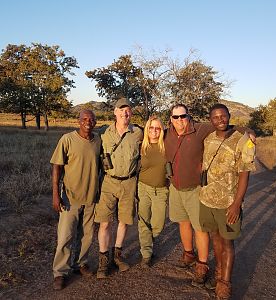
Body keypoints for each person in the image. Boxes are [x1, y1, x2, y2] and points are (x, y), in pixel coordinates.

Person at [164, 103, 254, 285]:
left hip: (197, 189)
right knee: (184, 223)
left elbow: (223, 125)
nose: (180, 120)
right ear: (171, 119)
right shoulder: (167, 134)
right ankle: (189, 253)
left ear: (189, 116)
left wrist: (249, 129)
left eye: (183, 116)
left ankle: (203, 265)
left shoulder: (200, 129)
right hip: (179, 188)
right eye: (176, 117)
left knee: (201, 229)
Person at [199, 103, 255, 299]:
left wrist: (237, 203)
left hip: (228, 203)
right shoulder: (208, 139)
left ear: (230, 116)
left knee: (228, 242)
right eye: (215, 117)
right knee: (215, 237)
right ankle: (218, 272)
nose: (220, 120)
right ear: (210, 120)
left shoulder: (242, 141)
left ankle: (225, 284)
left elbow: (245, 173)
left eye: (223, 116)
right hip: (208, 199)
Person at [50, 109, 101, 290]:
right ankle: (60, 272)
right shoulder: (67, 139)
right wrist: (56, 194)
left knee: (86, 236)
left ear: (95, 121)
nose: (88, 122)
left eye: (91, 119)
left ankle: (81, 264)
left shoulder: (98, 141)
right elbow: (57, 167)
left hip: (91, 198)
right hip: (69, 198)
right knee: (65, 236)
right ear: (78, 121)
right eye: (84, 119)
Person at [94, 97, 143, 279]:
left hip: (129, 182)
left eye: (128, 109)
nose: (125, 113)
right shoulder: (103, 133)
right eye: (121, 109)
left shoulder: (138, 133)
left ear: (131, 112)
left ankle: (117, 256)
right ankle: (103, 261)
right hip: (109, 181)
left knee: (124, 221)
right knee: (104, 222)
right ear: (114, 112)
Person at [137, 115, 168, 268]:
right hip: (143, 188)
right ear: (147, 129)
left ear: (161, 130)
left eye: (158, 128)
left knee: (158, 224)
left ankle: (149, 241)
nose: (154, 131)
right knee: (143, 222)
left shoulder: (166, 145)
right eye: (151, 127)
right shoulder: (141, 146)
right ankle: (146, 254)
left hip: (161, 190)